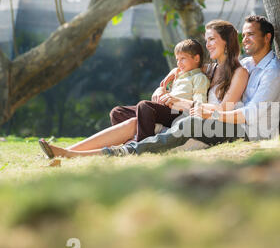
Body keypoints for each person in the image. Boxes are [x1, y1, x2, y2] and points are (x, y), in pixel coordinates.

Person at [38, 20, 249, 158]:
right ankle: (65, 152)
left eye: (212, 39)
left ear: (227, 42)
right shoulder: (211, 67)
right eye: (207, 40)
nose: (208, 44)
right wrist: (167, 80)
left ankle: (131, 146)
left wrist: (176, 102)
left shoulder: (237, 72)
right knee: (123, 115)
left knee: (143, 109)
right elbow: (185, 66)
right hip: (181, 113)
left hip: (194, 120)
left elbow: (222, 112)